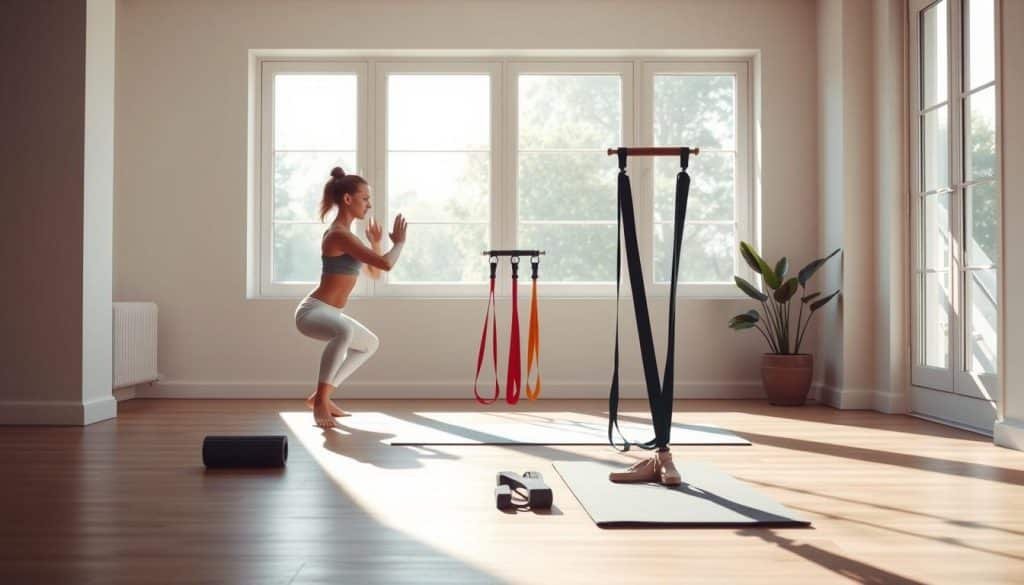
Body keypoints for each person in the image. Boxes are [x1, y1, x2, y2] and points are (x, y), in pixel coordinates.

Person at [294, 167, 408, 428]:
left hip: (330, 313)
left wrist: (377, 242)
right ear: (348, 199)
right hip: (313, 311)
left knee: (369, 343)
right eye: (365, 198)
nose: (369, 205)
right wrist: (399, 243)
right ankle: (321, 402)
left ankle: (321, 397)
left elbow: (375, 272)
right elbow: (386, 265)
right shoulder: (338, 235)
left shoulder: (348, 236)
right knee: (344, 333)